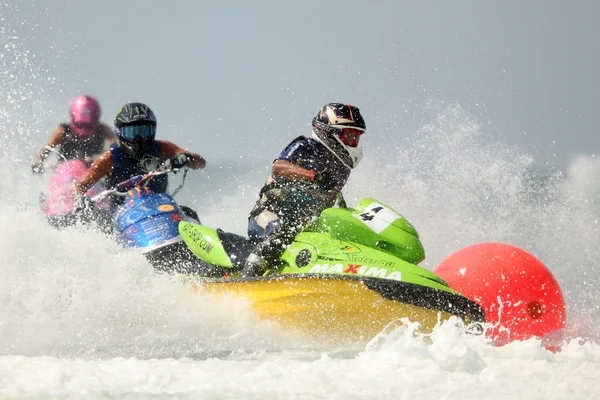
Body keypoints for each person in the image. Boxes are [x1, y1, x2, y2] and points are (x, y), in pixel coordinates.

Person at [243, 102, 366, 276]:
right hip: (267, 216)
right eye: (351, 136)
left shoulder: (342, 166)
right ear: (331, 133)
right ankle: (246, 281)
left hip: (303, 224)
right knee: (280, 233)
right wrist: (312, 175)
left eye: (357, 137)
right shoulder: (305, 146)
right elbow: (278, 166)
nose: (355, 143)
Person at [73, 102, 206, 224]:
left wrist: (185, 158)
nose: (138, 139)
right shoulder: (108, 159)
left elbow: (200, 163)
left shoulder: (163, 148)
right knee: (102, 222)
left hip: (161, 210)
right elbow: (81, 185)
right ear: (120, 133)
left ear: (152, 131)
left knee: (189, 213)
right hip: (122, 217)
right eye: (131, 133)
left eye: (143, 132)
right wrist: (82, 200)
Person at [31, 95, 115, 174]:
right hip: (64, 175)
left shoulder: (103, 130)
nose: (84, 130)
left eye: (89, 126)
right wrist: (38, 162)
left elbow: (116, 148)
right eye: (80, 125)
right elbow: (46, 148)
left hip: (93, 175)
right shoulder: (63, 131)